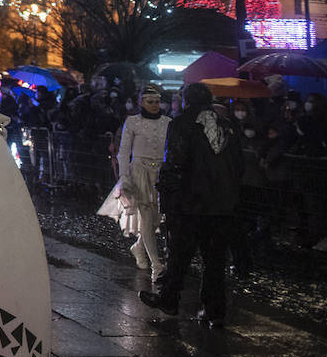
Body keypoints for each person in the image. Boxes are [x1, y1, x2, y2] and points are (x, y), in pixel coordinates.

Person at [140, 82, 245, 328]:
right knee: (215, 259)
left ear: (186, 101)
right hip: (221, 204)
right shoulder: (227, 126)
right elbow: (239, 165)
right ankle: (214, 310)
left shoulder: (181, 124)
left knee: (179, 254)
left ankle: (169, 299)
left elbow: (175, 162)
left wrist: (167, 197)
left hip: (190, 202)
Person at [102, 84, 170, 283]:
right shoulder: (132, 122)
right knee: (147, 217)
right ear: (141, 102)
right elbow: (124, 151)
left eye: (157, 102)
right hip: (140, 171)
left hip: (160, 172)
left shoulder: (168, 122)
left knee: (158, 218)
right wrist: (124, 177)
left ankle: (138, 247)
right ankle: (156, 264)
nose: (154, 105)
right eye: (150, 102)